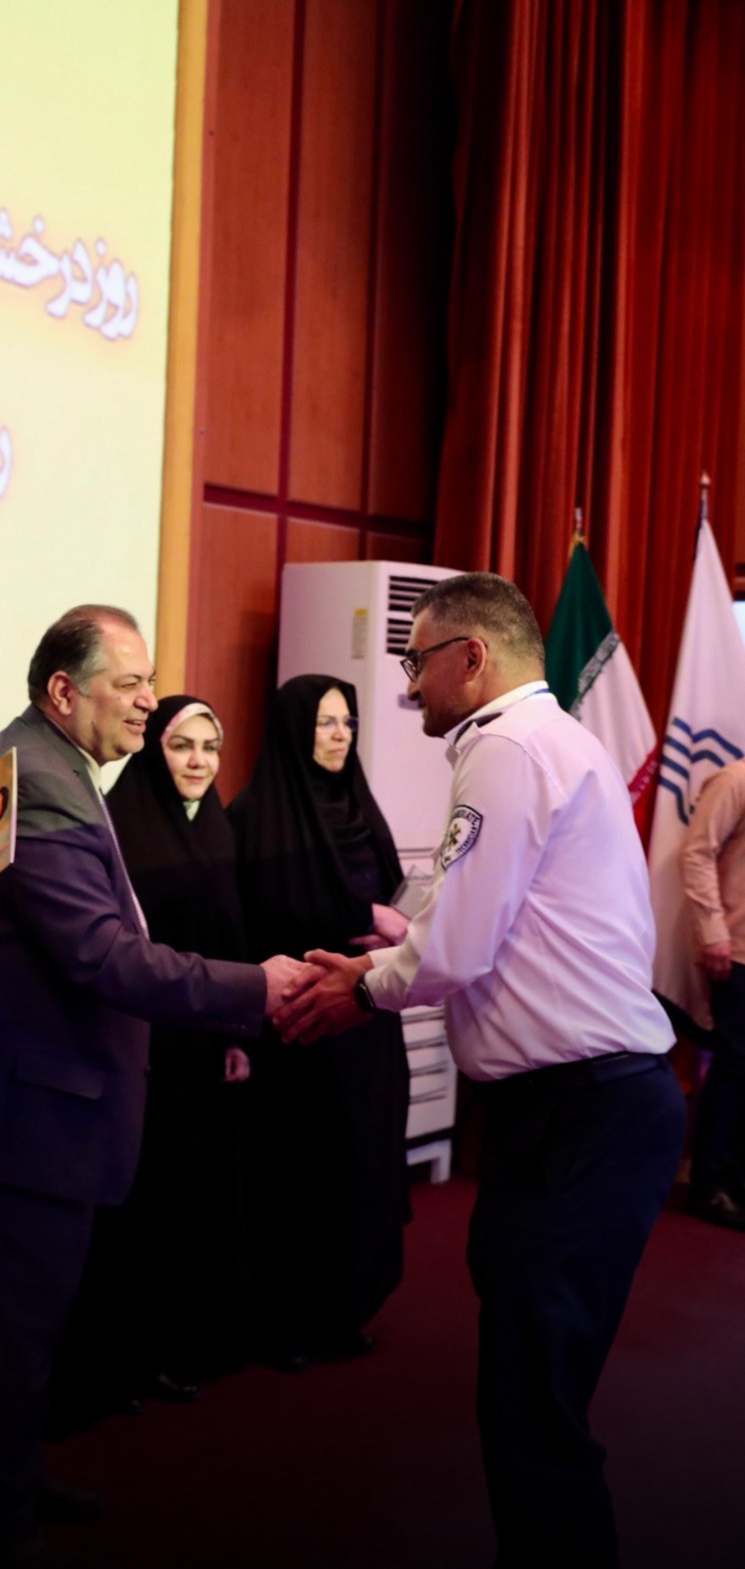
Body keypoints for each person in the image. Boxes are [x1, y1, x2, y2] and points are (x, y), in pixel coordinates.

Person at [0, 608, 303, 1569]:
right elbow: (101, 955)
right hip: (10, 1104)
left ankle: (7, 1477)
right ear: (64, 691)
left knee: (22, 1319)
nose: (150, 701)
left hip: (6, 1088)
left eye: (151, 682)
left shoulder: (39, 761)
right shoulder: (41, 780)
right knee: (14, 1322)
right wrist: (254, 987)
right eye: (131, 683)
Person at [277, 572, 684, 1569]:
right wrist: (397, 949)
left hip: (578, 1114)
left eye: (417, 660)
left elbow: (457, 949)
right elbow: (500, 923)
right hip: (587, 1107)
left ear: (472, 656)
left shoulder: (505, 747)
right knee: (531, 1379)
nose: (408, 684)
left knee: (532, 1402)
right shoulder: (551, 738)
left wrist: (362, 989)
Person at [53, 696, 256, 1422]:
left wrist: (236, 1034)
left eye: (210, 746)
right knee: (128, 1205)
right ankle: (107, 1360)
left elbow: (232, 939)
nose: (199, 761)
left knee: (182, 1201)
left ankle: (160, 1349)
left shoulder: (219, 827)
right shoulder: (122, 825)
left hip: (201, 1045)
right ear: (152, 751)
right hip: (137, 1045)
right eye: (181, 745)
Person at [229, 674, 411, 1369]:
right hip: (298, 1028)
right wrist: (363, 917)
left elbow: (394, 897)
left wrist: (391, 925)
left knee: (361, 1165)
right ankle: (282, 1319)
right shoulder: (256, 815)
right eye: (325, 722)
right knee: (294, 1172)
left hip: (366, 1021)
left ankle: (342, 1306)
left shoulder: (360, 807)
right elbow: (265, 913)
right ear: (292, 728)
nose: (340, 735)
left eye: (347, 722)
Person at [680, 756, 745, 1230]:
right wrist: (713, 931)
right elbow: (697, 853)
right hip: (737, 950)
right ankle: (709, 1186)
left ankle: (739, 1182)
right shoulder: (735, 780)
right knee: (736, 1070)